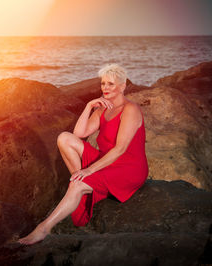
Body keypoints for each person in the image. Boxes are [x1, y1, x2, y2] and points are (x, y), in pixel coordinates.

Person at [18, 63, 148, 245]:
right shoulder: (103, 108)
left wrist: (89, 171)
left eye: (111, 84)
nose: (106, 88)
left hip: (128, 169)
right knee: (64, 138)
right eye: (103, 84)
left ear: (122, 86)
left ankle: (43, 229)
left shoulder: (130, 110)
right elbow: (80, 133)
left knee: (79, 183)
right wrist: (88, 106)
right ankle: (81, 188)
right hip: (106, 162)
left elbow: (120, 149)